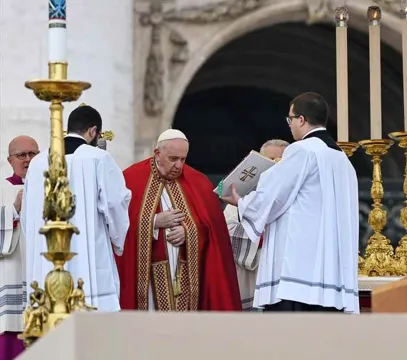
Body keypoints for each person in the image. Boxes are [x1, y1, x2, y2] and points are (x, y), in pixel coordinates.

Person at [222, 92, 360, 313]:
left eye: (290, 119)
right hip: (331, 275)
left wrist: (240, 202)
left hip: (298, 276)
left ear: (302, 120)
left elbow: (273, 195)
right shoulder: (341, 159)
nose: (290, 125)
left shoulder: (301, 151)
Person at [21, 104, 131, 312]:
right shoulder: (99, 158)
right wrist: (117, 240)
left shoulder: (37, 163)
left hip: (47, 261)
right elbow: (116, 203)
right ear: (93, 131)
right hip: (88, 265)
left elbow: (28, 216)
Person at [117, 129, 241, 311]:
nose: (178, 166)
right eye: (173, 159)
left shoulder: (198, 181)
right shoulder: (130, 178)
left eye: (183, 159)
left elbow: (213, 228)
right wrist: (153, 222)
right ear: (157, 153)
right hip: (148, 275)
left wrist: (190, 231)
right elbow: (118, 225)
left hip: (186, 272)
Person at [223, 139, 289, 311]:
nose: (274, 167)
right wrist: (266, 234)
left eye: (279, 161)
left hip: (282, 279)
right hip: (250, 278)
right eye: (269, 160)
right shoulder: (241, 197)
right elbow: (228, 232)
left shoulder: (293, 197)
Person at [0, 135, 38, 359]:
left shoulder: (51, 189)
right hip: (12, 273)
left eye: (32, 154)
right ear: (9, 160)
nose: (27, 160)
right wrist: (13, 210)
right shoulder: (2, 188)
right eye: (21, 155)